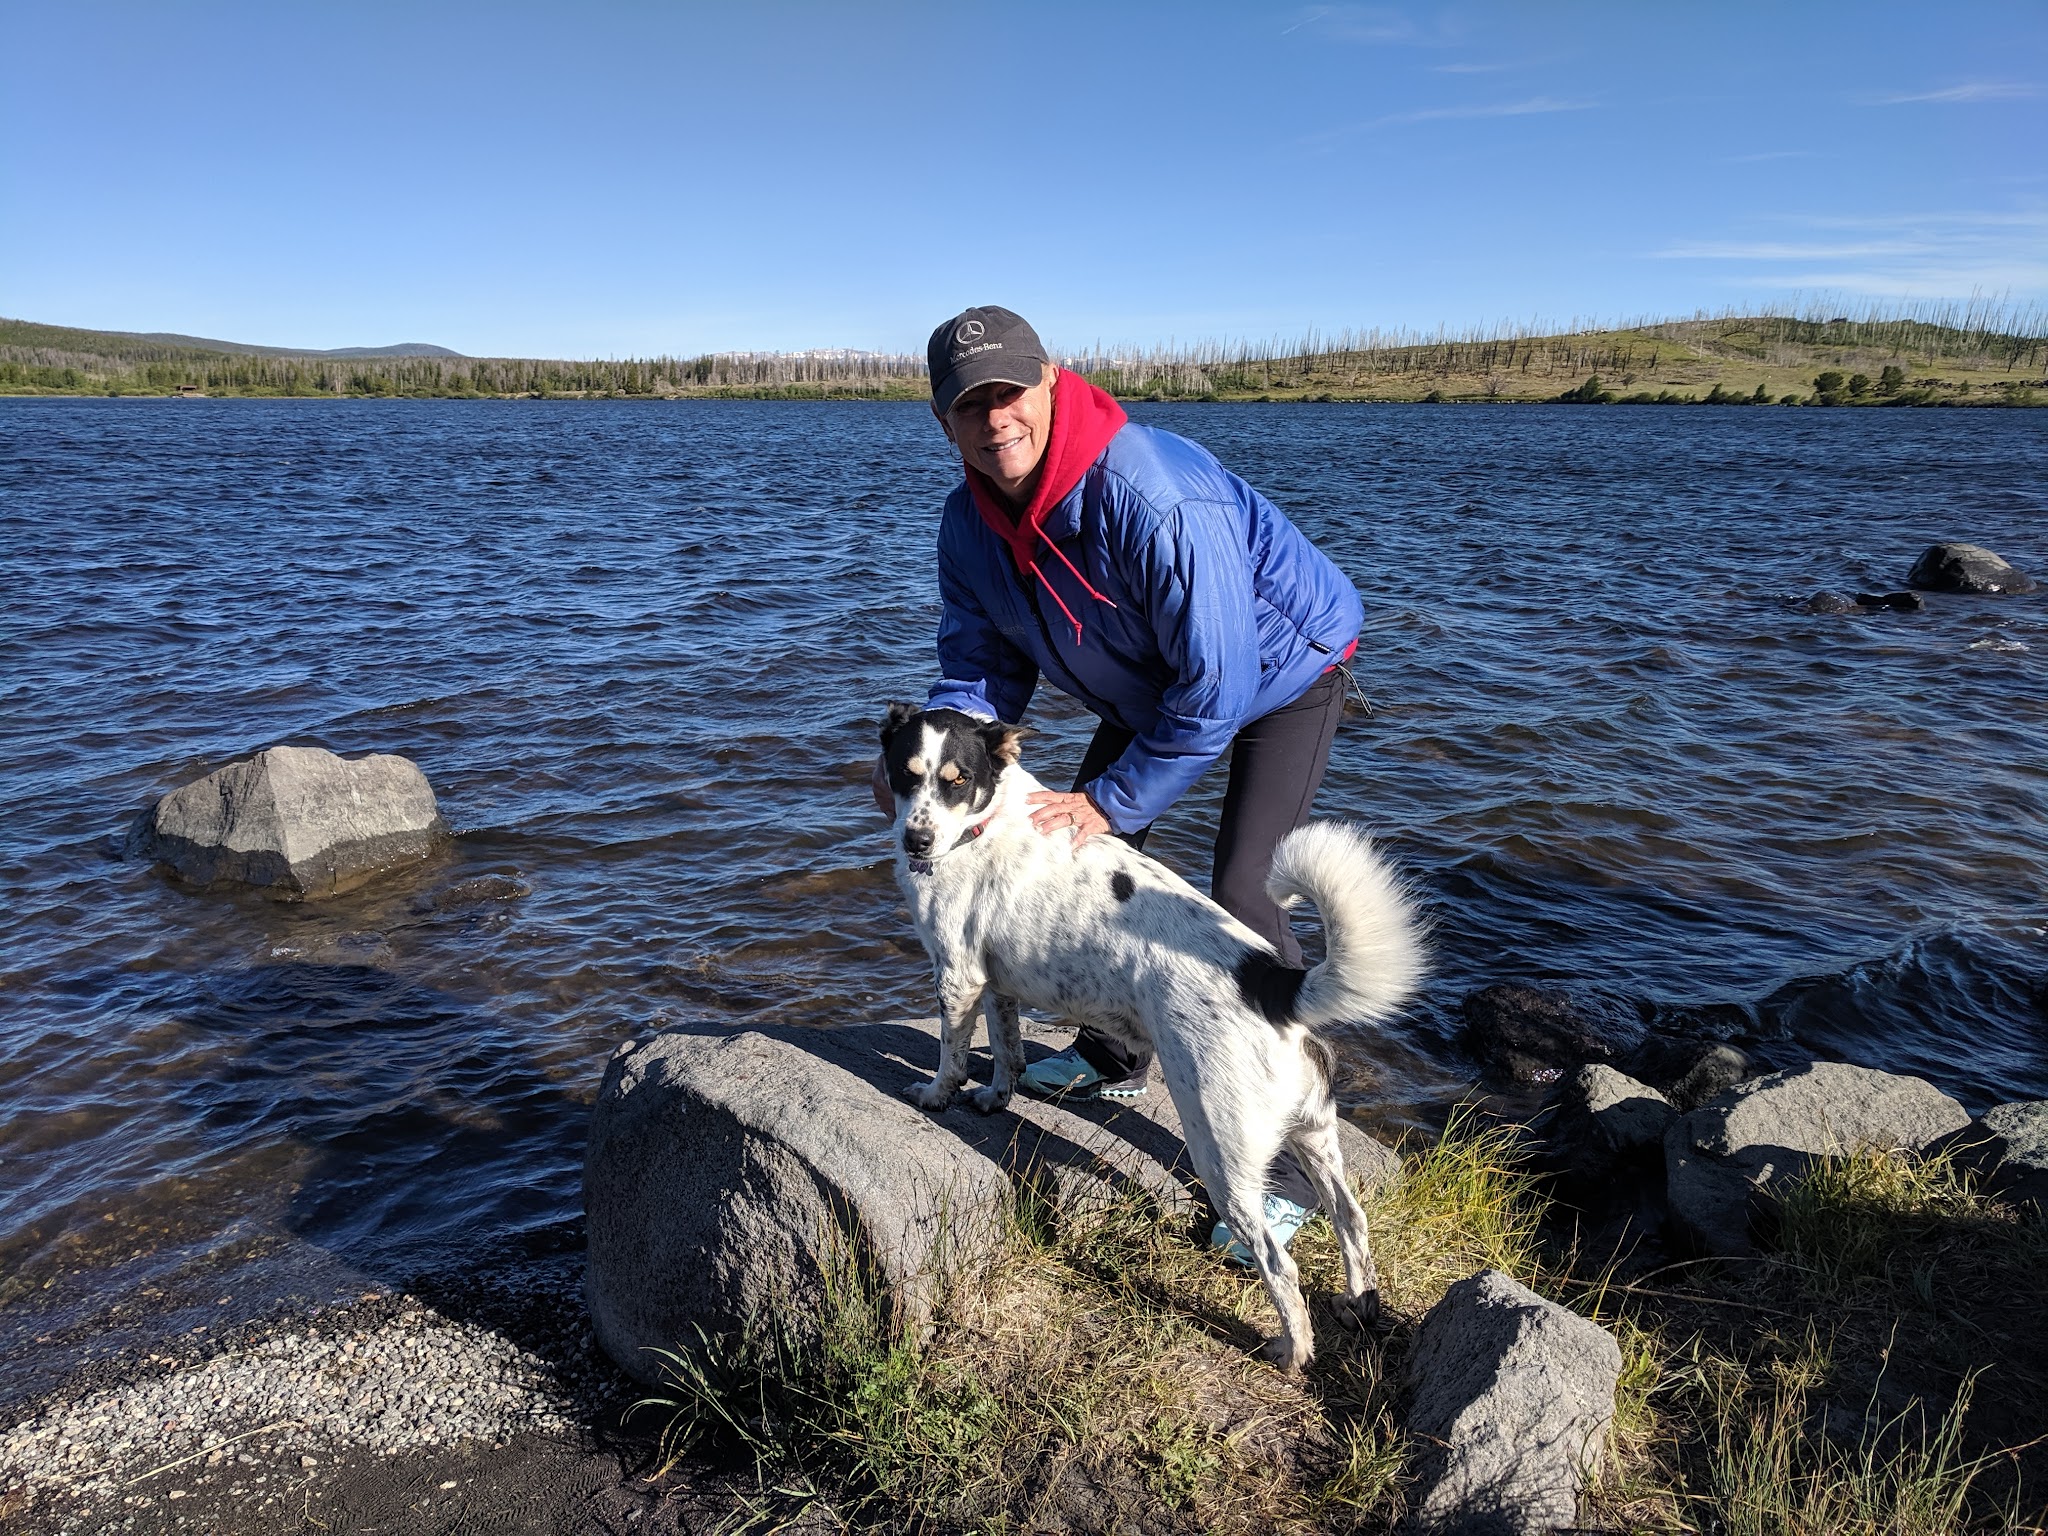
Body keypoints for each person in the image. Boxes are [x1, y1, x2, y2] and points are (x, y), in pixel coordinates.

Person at [875, 304, 1365, 1260]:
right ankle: (1116, 1052)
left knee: (1241, 889)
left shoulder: (1150, 494)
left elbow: (1217, 682)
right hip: (1152, 680)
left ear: (1050, 383)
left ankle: (1285, 1167)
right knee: (1078, 859)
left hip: (1283, 672)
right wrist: (933, 760)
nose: (994, 419)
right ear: (943, 421)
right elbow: (978, 665)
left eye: (1008, 394)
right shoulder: (966, 524)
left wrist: (1109, 797)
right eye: (969, 405)